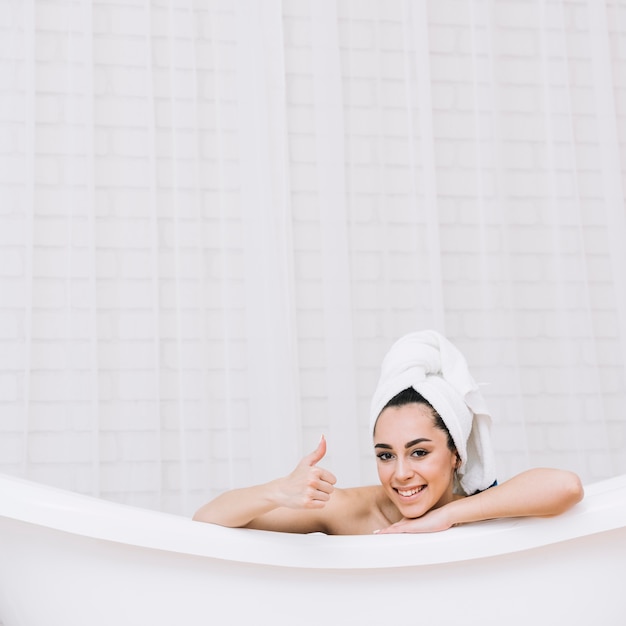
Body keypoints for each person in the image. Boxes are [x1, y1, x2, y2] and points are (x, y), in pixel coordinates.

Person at [192, 330, 584, 534]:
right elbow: (207, 521)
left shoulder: (482, 504)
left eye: (419, 452)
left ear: (456, 454)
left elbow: (566, 487)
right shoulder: (354, 512)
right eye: (385, 454)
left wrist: (447, 517)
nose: (399, 474)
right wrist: (277, 491)